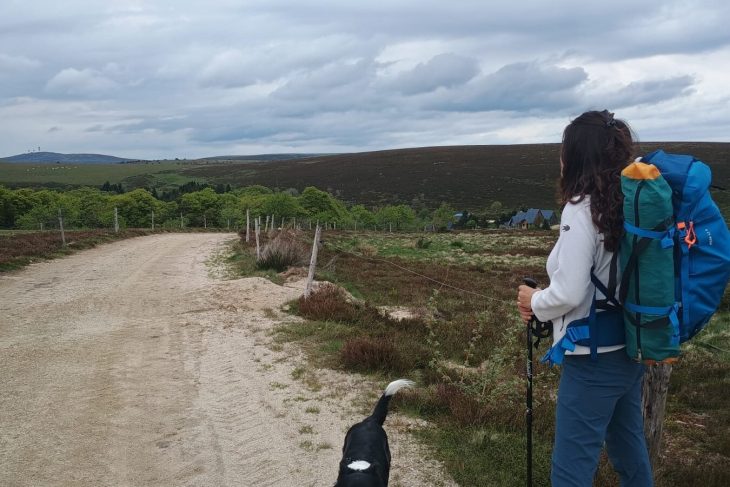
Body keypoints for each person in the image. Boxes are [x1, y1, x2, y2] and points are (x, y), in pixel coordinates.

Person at [516, 110, 653, 486]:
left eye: (564, 149)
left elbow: (570, 292)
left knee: (571, 469)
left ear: (576, 156)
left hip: (591, 359)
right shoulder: (629, 202)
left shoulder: (581, 208)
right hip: (629, 347)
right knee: (629, 454)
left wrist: (534, 300)